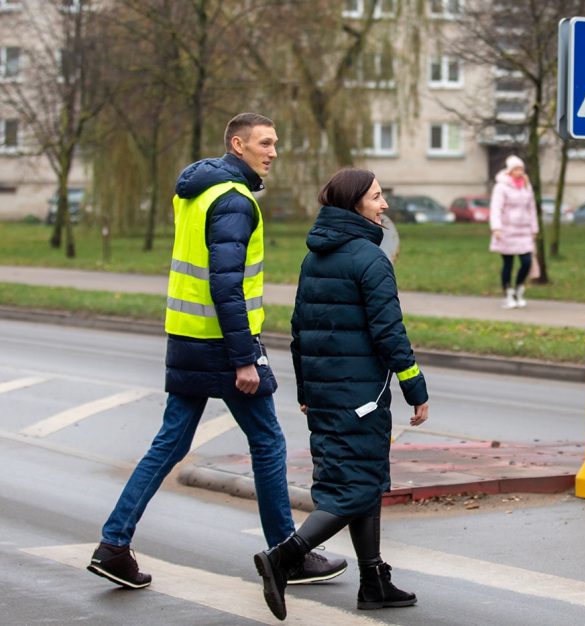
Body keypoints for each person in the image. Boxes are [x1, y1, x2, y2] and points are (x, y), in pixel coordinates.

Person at [87, 113, 346, 590]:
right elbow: (225, 285)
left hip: (187, 339)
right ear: (237, 143)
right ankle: (286, 552)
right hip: (224, 346)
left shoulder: (197, 191)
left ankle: (113, 545)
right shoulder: (233, 201)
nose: (272, 152)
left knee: (169, 445)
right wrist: (244, 357)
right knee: (268, 444)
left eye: (275, 143)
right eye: (264, 143)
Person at [253, 168, 429, 620]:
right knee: (354, 490)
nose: (384, 204)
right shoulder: (370, 262)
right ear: (355, 205)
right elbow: (390, 332)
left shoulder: (315, 257)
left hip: (327, 394)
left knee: (361, 484)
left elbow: (298, 331)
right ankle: (283, 558)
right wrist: (415, 387)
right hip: (361, 397)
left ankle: (373, 582)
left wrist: (306, 391)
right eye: (376, 197)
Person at [489, 155, 538, 309]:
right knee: (508, 264)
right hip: (507, 230)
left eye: (521, 169)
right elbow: (496, 208)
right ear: (509, 171)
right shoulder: (501, 187)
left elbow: (532, 208)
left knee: (526, 262)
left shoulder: (526, 186)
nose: (519, 172)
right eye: (516, 169)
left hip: (523, 231)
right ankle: (508, 292)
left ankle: (519, 288)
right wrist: (496, 228)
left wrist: (534, 228)